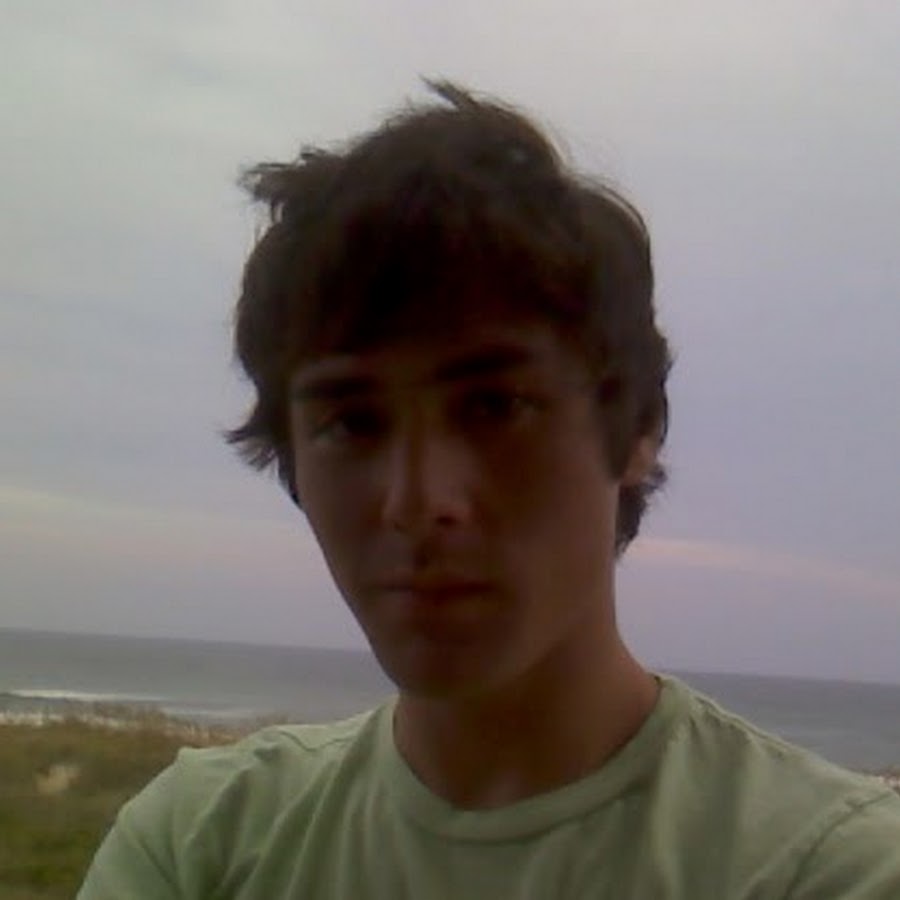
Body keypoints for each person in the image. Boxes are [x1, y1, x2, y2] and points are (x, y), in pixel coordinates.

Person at [79, 81, 900, 898]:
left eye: (494, 406)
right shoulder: (201, 842)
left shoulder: (831, 869)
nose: (416, 502)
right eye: (353, 422)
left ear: (638, 428)